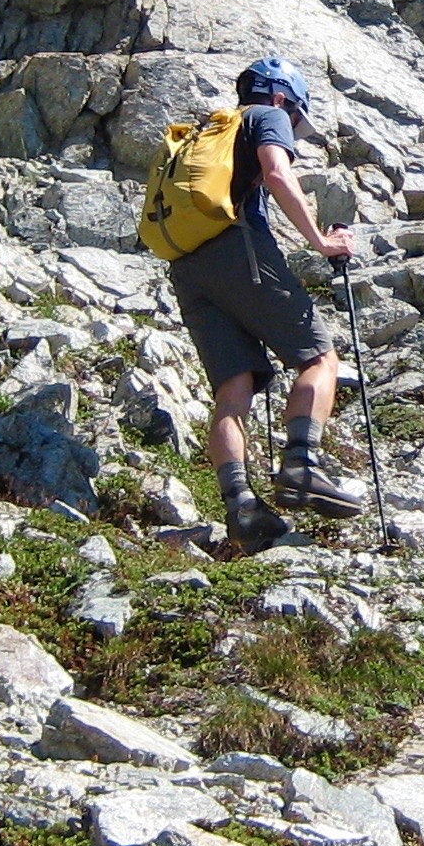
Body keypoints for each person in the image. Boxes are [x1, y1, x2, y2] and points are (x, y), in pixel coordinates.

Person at [169, 57, 370, 548]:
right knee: (320, 359)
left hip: (188, 267)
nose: (295, 129)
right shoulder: (267, 114)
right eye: (297, 120)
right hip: (239, 248)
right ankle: (301, 466)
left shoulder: (207, 131)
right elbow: (277, 174)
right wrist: (322, 243)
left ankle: (241, 509)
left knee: (233, 389)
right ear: (284, 98)